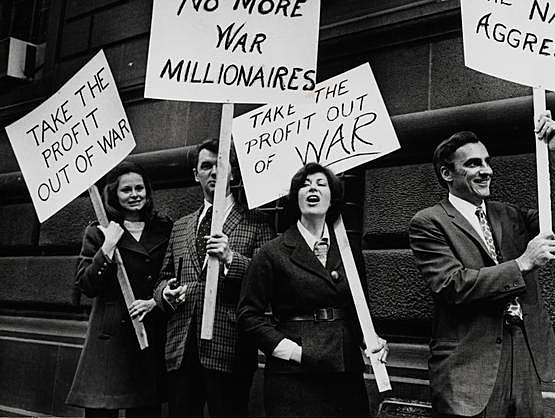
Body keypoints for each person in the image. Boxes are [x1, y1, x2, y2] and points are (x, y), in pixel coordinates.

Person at [408, 112, 555, 418]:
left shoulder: (508, 214)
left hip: (525, 355)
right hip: (470, 365)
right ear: (446, 173)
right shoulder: (429, 222)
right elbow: (453, 284)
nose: (486, 171)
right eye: (473, 164)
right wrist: (522, 264)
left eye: (487, 162)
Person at [238, 162, 388, 417]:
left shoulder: (348, 250)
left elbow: (357, 308)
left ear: (333, 197)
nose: (312, 189)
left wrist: (371, 340)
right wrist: (292, 351)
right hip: (293, 378)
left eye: (321, 184)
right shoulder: (272, 252)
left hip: (345, 373)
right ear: (295, 198)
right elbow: (248, 316)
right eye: (305, 185)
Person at [153, 139, 276, 417]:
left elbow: (267, 283)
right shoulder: (182, 225)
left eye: (220, 165)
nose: (214, 172)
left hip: (229, 346)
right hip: (182, 347)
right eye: (206, 166)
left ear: (232, 172)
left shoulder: (256, 223)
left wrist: (231, 258)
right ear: (196, 174)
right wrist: (164, 294)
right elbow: (163, 277)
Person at [66, 161, 172, 417]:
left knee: (146, 409)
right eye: (126, 190)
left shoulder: (164, 228)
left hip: (148, 331)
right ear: (114, 194)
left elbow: (172, 275)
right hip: (110, 337)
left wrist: (155, 302)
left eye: (139, 188)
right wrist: (107, 248)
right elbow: (86, 285)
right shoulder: (99, 231)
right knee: (102, 410)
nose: (135, 195)